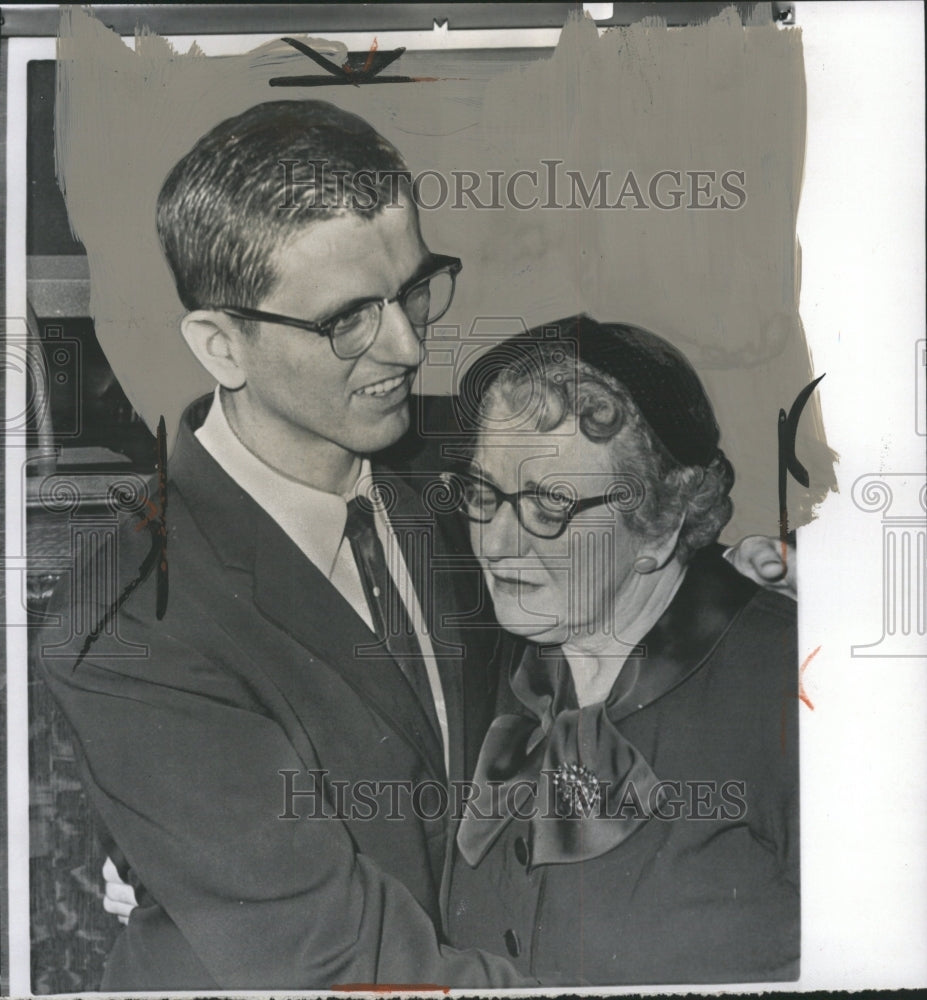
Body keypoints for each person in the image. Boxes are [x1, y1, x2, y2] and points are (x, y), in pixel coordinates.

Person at [42, 100, 792, 988]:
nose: (404, 347)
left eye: (412, 291)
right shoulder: (127, 617)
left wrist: (724, 580)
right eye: (346, 321)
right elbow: (334, 956)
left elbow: (610, 525)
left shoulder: (457, 473)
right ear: (221, 345)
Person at [443, 316, 799, 984]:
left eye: (548, 505)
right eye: (482, 492)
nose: (493, 543)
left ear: (660, 524)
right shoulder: (502, 669)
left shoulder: (795, 687)